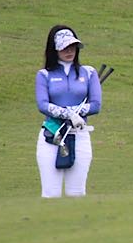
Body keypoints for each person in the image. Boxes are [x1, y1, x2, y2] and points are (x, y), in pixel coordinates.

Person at [35, 25, 102, 197]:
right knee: (51, 193)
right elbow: (43, 105)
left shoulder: (89, 72)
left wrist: (75, 114)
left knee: (77, 193)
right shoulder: (44, 75)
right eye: (64, 47)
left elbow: (95, 105)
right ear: (54, 49)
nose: (69, 50)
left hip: (79, 135)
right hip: (52, 135)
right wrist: (69, 114)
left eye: (72, 46)